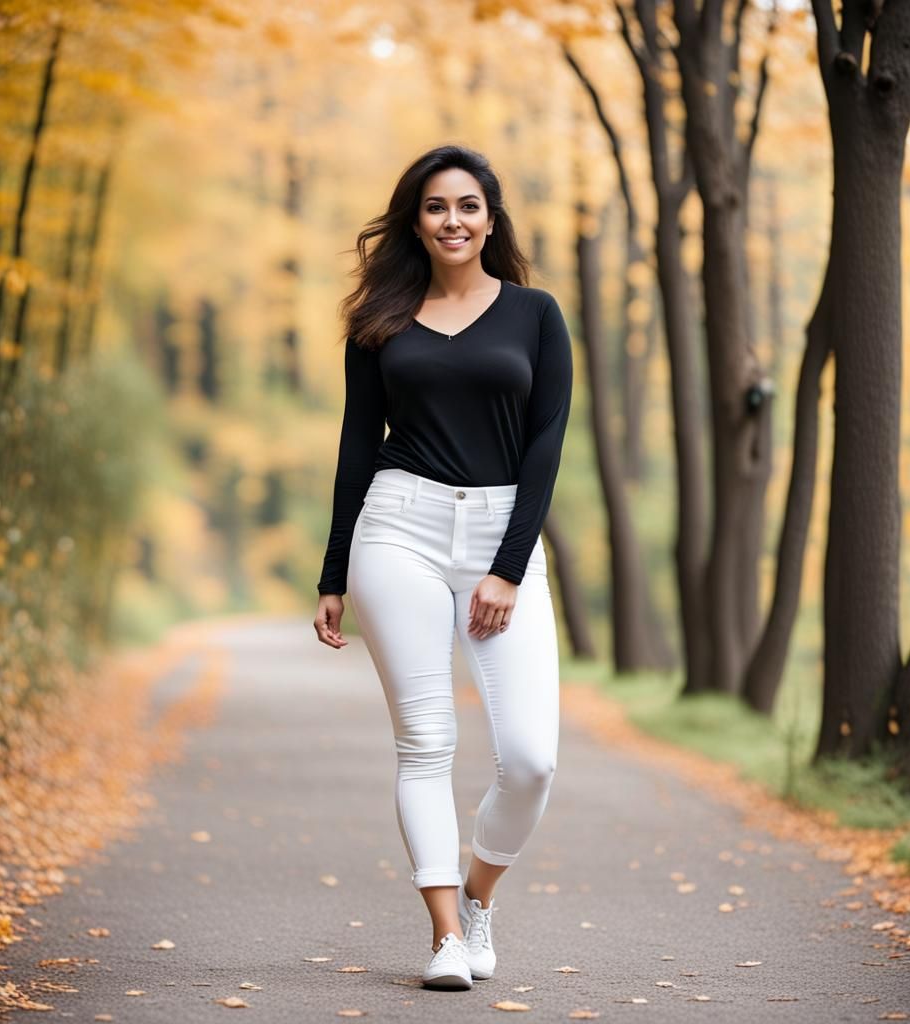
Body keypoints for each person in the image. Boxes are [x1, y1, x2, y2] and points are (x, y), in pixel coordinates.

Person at [313, 143, 573, 991]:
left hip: (503, 534)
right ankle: (446, 936)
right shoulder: (378, 321)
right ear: (414, 221)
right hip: (399, 529)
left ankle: (479, 894)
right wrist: (334, 574)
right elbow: (357, 446)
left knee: (531, 759)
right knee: (426, 742)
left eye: (467, 205)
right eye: (435, 207)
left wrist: (506, 568)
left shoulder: (536, 315)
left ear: (490, 218)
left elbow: (545, 446)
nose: (452, 220)